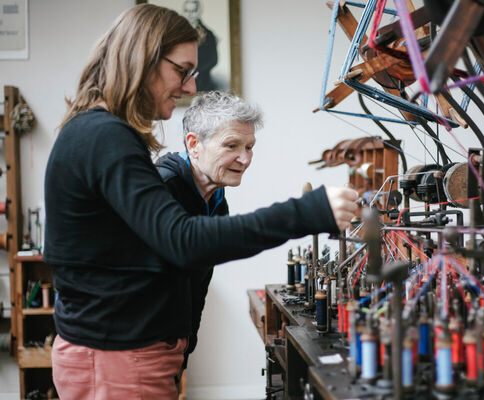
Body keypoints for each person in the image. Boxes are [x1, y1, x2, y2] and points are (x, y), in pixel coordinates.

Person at [43, 4, 358, 400]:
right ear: (142, 58)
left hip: (126, 353)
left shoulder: (100, 132)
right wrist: (310, 212)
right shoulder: (105, 136)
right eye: (182, 71)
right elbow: (184, 240)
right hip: (117, 357)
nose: (191, 88)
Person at [155, 90, 261, 370]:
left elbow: (198, 282)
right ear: (194, 144)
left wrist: (188, 342)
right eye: (232, 146)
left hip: (177, 345)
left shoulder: (216, 200)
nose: (246, 159)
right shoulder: (162, 190)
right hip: (146, 349)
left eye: (249, 147)